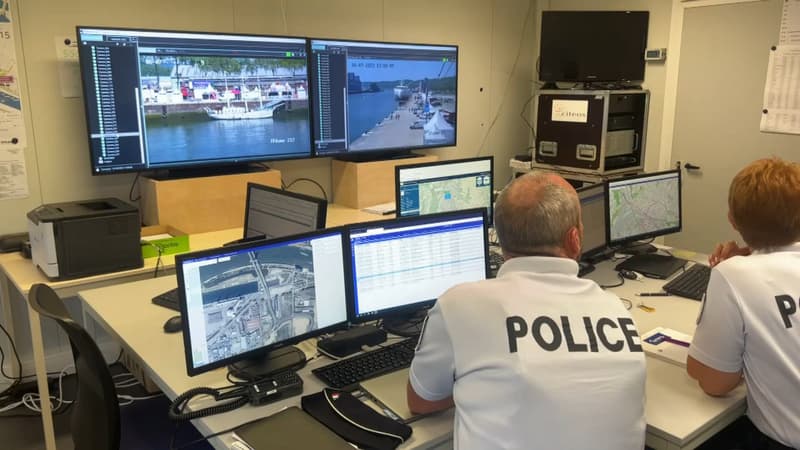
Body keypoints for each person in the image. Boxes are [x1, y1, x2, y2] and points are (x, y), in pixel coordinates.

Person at [407, 172, 647, 449]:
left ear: (499, 236)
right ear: (575, 240)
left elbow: (422, 401)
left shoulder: (459, 304)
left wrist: (477, 385)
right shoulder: (616, 309)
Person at [687, 157, 800, 449]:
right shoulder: (742, 269)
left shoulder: (735, 275)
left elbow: (714, 384)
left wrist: (732, 271)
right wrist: (752, 254)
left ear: (732, 220)